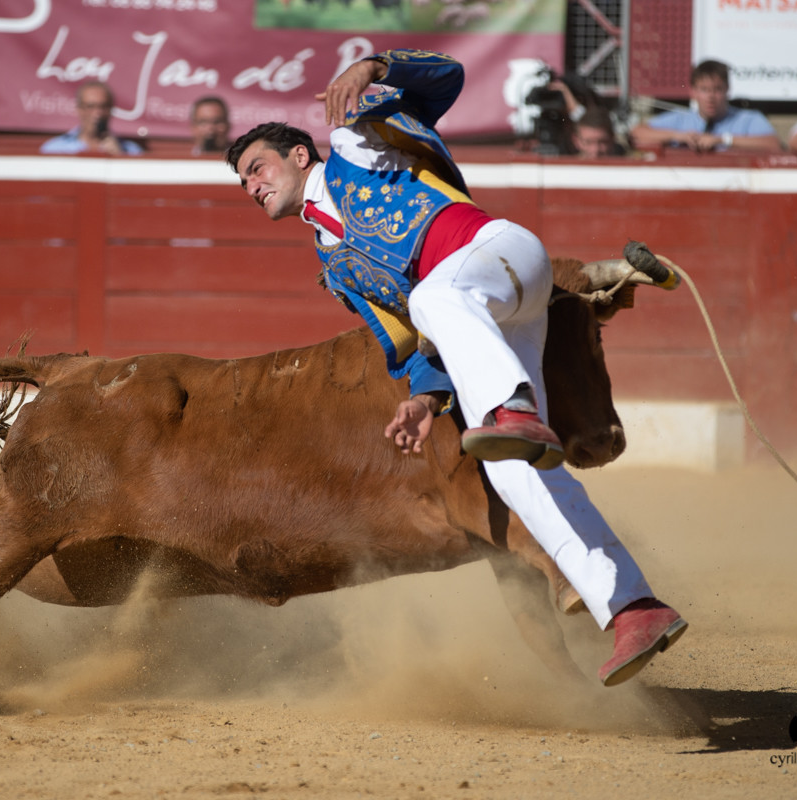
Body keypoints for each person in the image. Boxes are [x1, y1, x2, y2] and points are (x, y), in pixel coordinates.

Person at [225, 49, 687, 687]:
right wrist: (424, 401)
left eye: (257, 168)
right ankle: (635, 608)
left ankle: (513, 410)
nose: (252, 186)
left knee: (433, 297)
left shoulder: (356, 139)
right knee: (509, 471)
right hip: (487, 319)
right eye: (243, 184)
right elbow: (414, 342)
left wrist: (376, 67)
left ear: (299, 155)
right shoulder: (335, 267)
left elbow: (449, 81)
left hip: (500, 254)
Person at [630, 60, 781, 154]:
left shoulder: (747, 118)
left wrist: (722, 140)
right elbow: (636, 133)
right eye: (704, 90)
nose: (710, 97)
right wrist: (679, 136)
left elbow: (773, 145)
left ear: (727, 89)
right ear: (693, 92)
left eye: (717, 89)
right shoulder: (681, 120)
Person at [40, 81, 144, 156]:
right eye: (90, 106)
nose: (97, 113)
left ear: (111, 109)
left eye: (103, 106)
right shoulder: (54, 149)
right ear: (79, 109)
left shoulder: (131, 151)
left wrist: (119, 158)